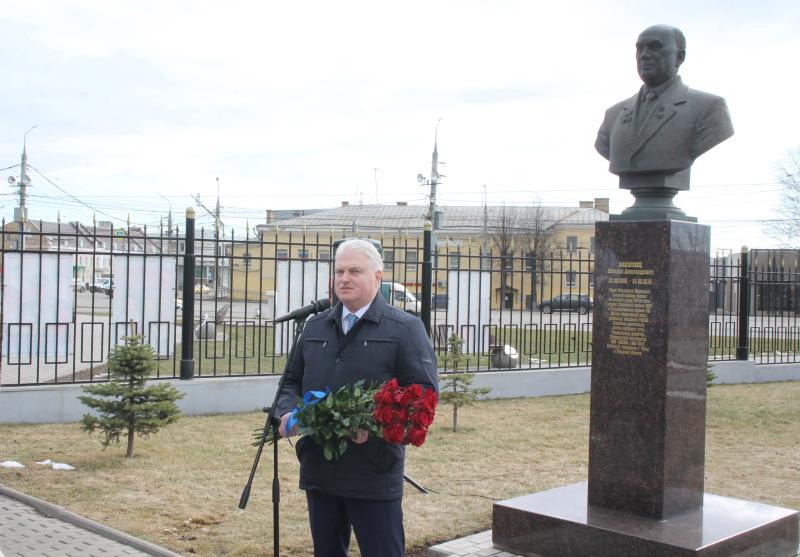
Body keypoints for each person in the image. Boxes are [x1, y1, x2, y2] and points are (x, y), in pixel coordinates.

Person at [277, 239, 438, 557]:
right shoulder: (315, 327)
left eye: (354, 271)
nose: (344, 278)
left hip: (372, 472)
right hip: (319, 467)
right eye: (339, 271)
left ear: (377, 277)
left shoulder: (404, 328)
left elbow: (424, 395)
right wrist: (285, 414)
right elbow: (290, 383)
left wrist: (374, 426)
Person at [595, 24, 734, 177]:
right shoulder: (613, 115)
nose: (644, 55)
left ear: (679, 57)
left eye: (654, 47)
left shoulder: (709, 107)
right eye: (640, 48)